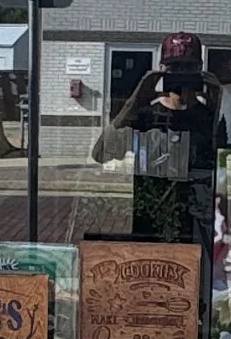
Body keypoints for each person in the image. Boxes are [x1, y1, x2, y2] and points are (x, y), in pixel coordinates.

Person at [92, 31, 223, 243]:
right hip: (150, 222)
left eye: (188, 68)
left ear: (200, 70)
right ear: (161, 70)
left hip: (197, 224)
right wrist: (134, 101)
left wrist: (221, 105)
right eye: (174, 69)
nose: (181, 75)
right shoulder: (144, 116)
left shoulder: (209, 118)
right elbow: (100, 154)